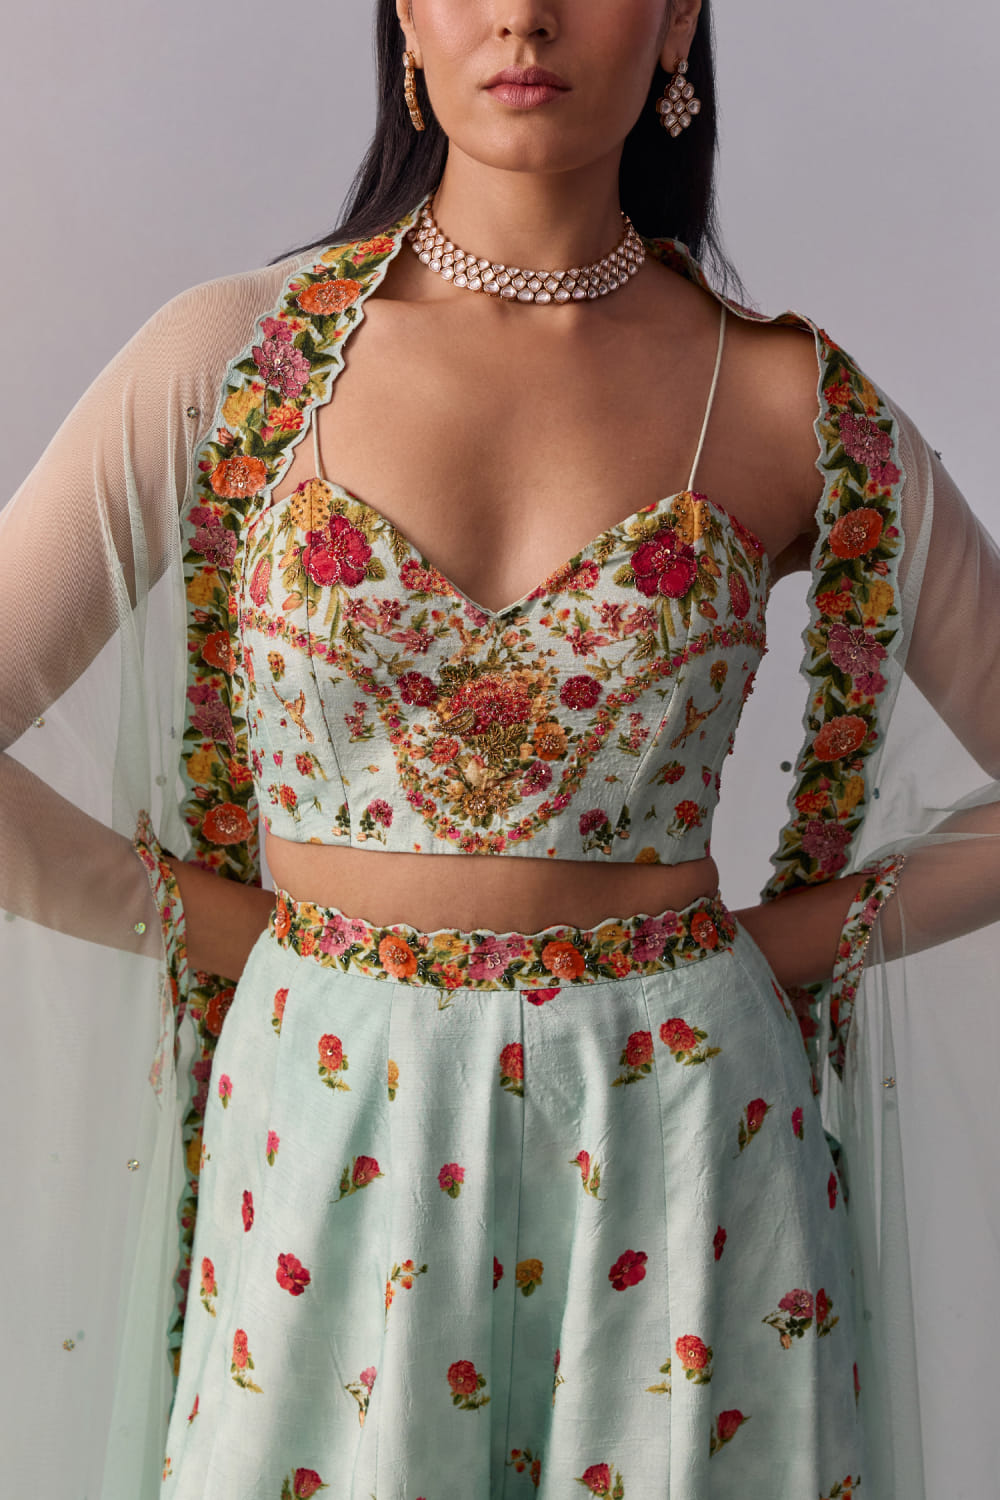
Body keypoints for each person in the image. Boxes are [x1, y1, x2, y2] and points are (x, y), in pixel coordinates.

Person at [2, 1, 998, 1496]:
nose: (524, 15)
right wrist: (234, 933)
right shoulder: (237, 363)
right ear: (407, 15)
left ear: (676, 20)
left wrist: (780, 947)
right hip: (332, 1112)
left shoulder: (784, 399)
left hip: (684, 1128)